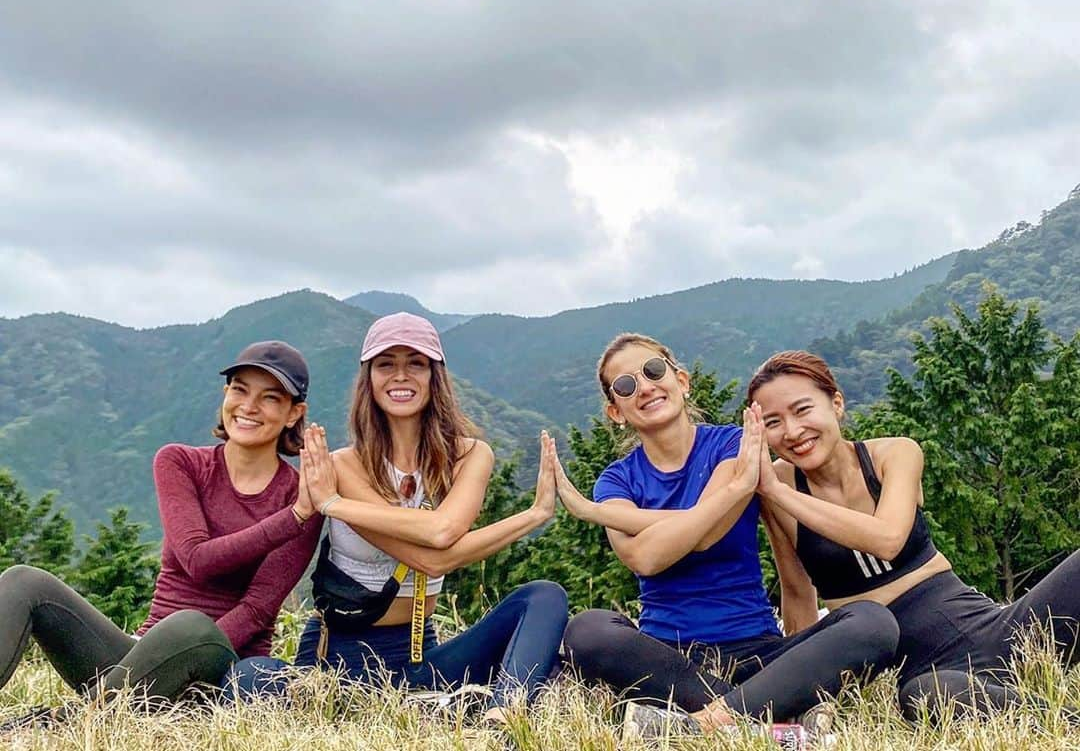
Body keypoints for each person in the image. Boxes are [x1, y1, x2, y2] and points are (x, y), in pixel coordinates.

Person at [229, 313, 567, 724]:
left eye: (416, 363)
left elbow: (442, 535)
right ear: (369, 379)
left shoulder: (469, 456)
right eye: (386, 364)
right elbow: (431, 556)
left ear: (434, 376)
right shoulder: (342, 465)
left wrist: (536, 514)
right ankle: (436, 708)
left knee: (544, 596)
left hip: (418, 659)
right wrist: (333, 495)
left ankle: (503, 715)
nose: (400, 376)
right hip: (335, 660)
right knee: (248, 677)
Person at [557, 333, 899, 735]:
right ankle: (769, 709)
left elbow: (705, 533)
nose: (645, 387)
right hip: (667, 658)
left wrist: (599, 515)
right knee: (587, 631)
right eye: (626, 385)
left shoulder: (734, 443)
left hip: (757, 648)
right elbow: (647, 559)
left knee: (873, 623)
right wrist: (737, 489)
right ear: (616, 411)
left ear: (681, 380)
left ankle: (703, 722)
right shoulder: (617, 480)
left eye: (653, 371)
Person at [0, 340, 322, 727]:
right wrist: (292, 517)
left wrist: (301, 511)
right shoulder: (181, 462)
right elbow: (196, 560)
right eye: (240, 389)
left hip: (215, 673)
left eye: (270, 398)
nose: (249, 407)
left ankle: (62, 723)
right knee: (25, 580)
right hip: (139, 662)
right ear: (225, 394)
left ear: (293, 414)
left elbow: (256, 612)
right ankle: (107, 709)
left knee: (191, 626)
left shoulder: (301, 497)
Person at [747, 349, 1080, 723]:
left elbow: (888, 539)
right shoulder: (779, 491)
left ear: (836, 403)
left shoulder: (895, 453)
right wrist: (803, 693)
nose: (792, 431)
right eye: (773, 422)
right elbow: (796, 593)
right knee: (926, 697)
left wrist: (776, 492)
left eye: (803, 409)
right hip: (928, 675)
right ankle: (1061, 719)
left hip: (997, 631)